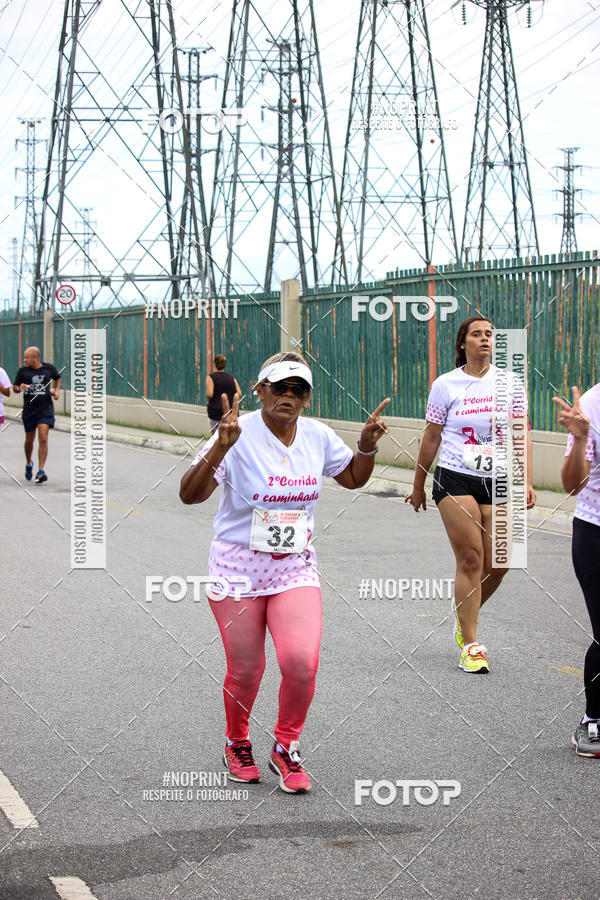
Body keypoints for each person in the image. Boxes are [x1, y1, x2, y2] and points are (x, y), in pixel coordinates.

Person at [180, 351, 390, 793]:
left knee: (300, 662)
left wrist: (367, 446)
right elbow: (189, 495)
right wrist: (220, 445)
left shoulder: (316, 436)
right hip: (237, 569)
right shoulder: (236, 433)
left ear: (307, 399)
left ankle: (286, 745)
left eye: (299, 389)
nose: (289, 396)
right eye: (280, 387)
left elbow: (352, 478)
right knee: (248, 669)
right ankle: (237, 742)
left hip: (294, 567)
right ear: (260, 391)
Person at [405, 316, 536, 673]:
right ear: (462, 343)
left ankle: (465, 613)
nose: (484, 339)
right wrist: (418, 485)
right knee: (471, 559)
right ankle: (471, 642)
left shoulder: (510, 383)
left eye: (489, 334)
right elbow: (431, 436)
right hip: (455, 477)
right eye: (476, 334)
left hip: (499, 478)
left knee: (502, 561)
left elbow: (520, 433)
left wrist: (525, 479)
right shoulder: (446, 384)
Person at [553, 384, 600, 758]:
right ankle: (592, 720)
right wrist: (581, 438)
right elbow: (572, 484)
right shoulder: (592, 404)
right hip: (595, 531)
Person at [13, 346, 61, 484]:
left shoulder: (48, 369)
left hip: (45, 409)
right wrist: (20, 387)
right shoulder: (23, 371)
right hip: (29, 411)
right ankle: (29, 463)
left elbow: (58, 378)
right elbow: (15, 388)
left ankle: (41, 471)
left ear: (35, 358)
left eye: (27, 357)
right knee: (29, 440)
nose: (25, 359)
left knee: (43, 438)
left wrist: (56, 390)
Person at [206, 355, 241, 432]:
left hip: (215, 412)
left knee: (215, 435)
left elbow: (209, 394)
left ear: (214, 364)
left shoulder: (211, 377)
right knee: (229, 434)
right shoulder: (231, 378)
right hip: (231, 412)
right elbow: (239, 393)